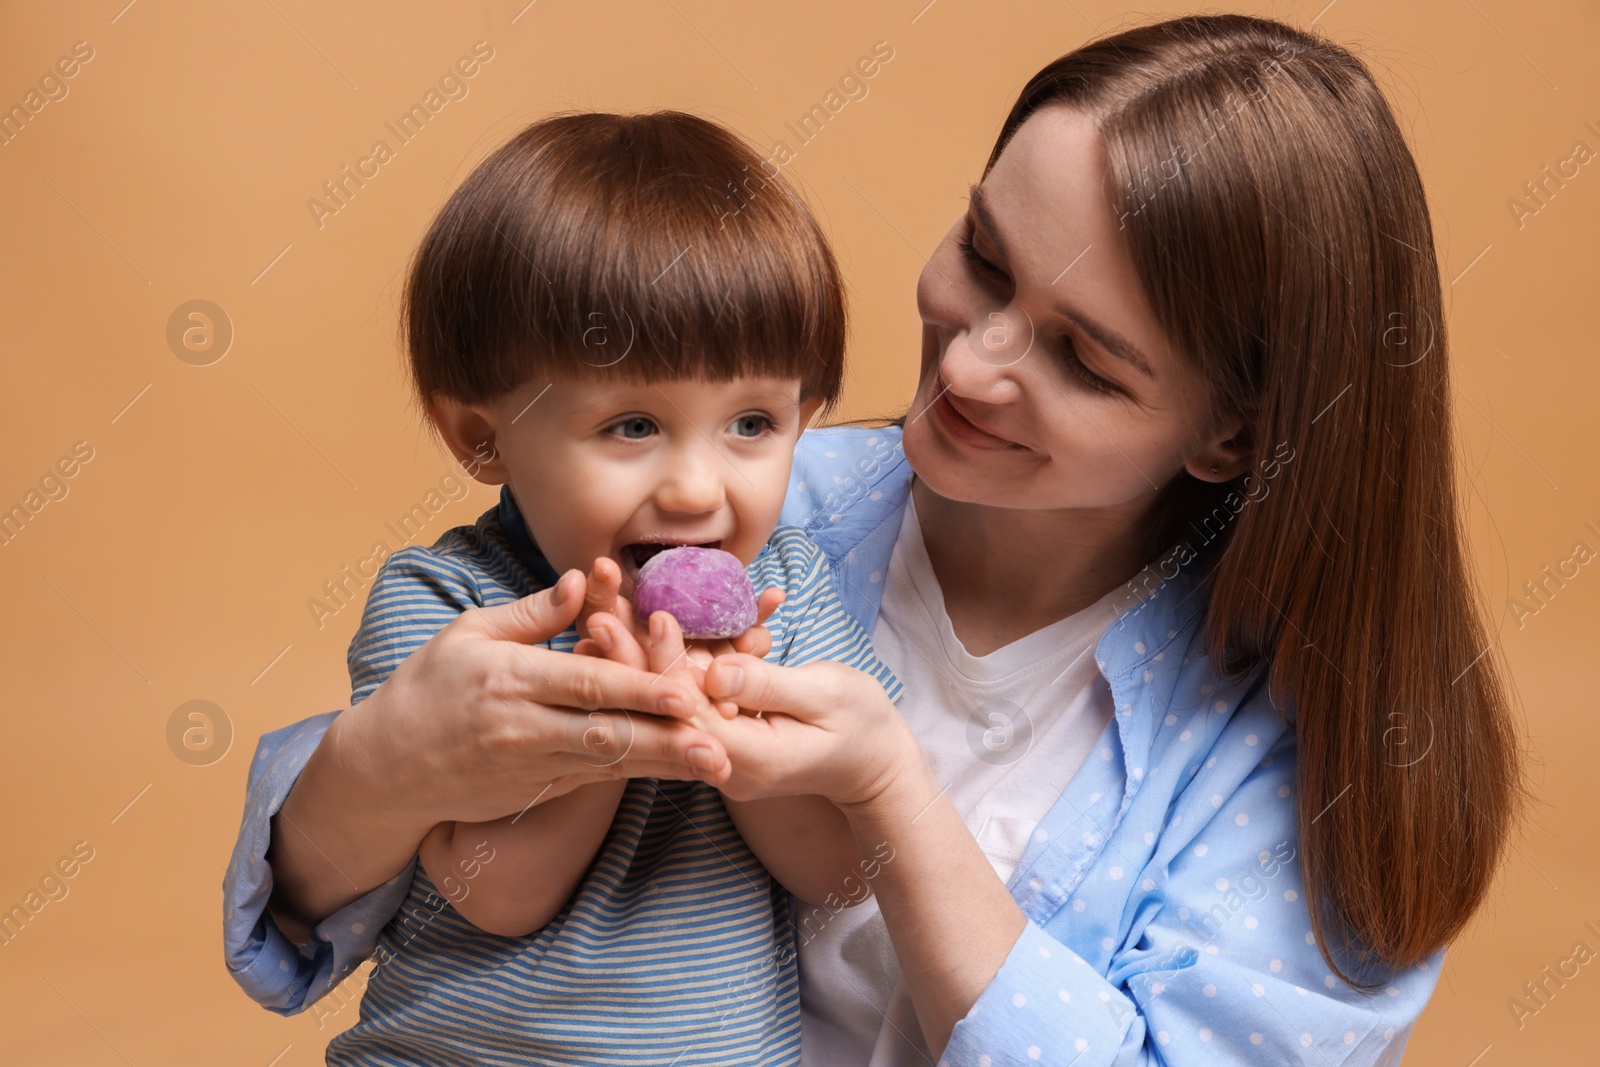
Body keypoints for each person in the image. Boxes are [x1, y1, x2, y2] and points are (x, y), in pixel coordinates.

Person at [224, 14, 1523, 1065]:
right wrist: (385, 762)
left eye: (1081, 356)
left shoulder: (1300, 753)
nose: (973, 357)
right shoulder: (765, 510)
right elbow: (325, 909)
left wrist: (890, 790)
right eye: (984, 254)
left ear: (1228, 435)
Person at [258, 109, 906, 1065]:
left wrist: (724, 727)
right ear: (482, 435)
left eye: (754, 422)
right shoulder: (452, 611)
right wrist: (611, 739)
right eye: (633, 425)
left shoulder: (790, 593)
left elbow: (845, 869)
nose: (697, 487)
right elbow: (496, 891)